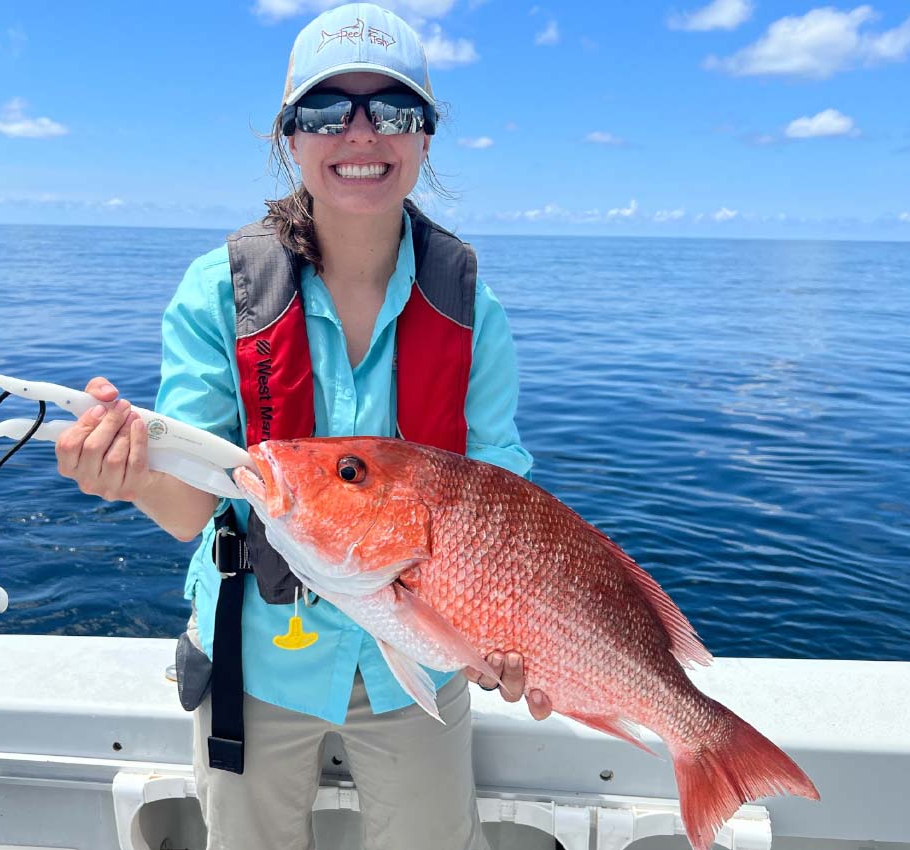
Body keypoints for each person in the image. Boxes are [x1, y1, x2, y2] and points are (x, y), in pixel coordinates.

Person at [55, 4, 550, 848]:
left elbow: (501, 513)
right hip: (254, 661)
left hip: (423, 665)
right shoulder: (219, 295)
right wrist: (130, 472)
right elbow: (193, 511)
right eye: (327, 111)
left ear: (426, 137)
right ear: (290, 136)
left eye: (392, 109)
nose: (361, 134)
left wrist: (513, 633)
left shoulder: (477, 317)